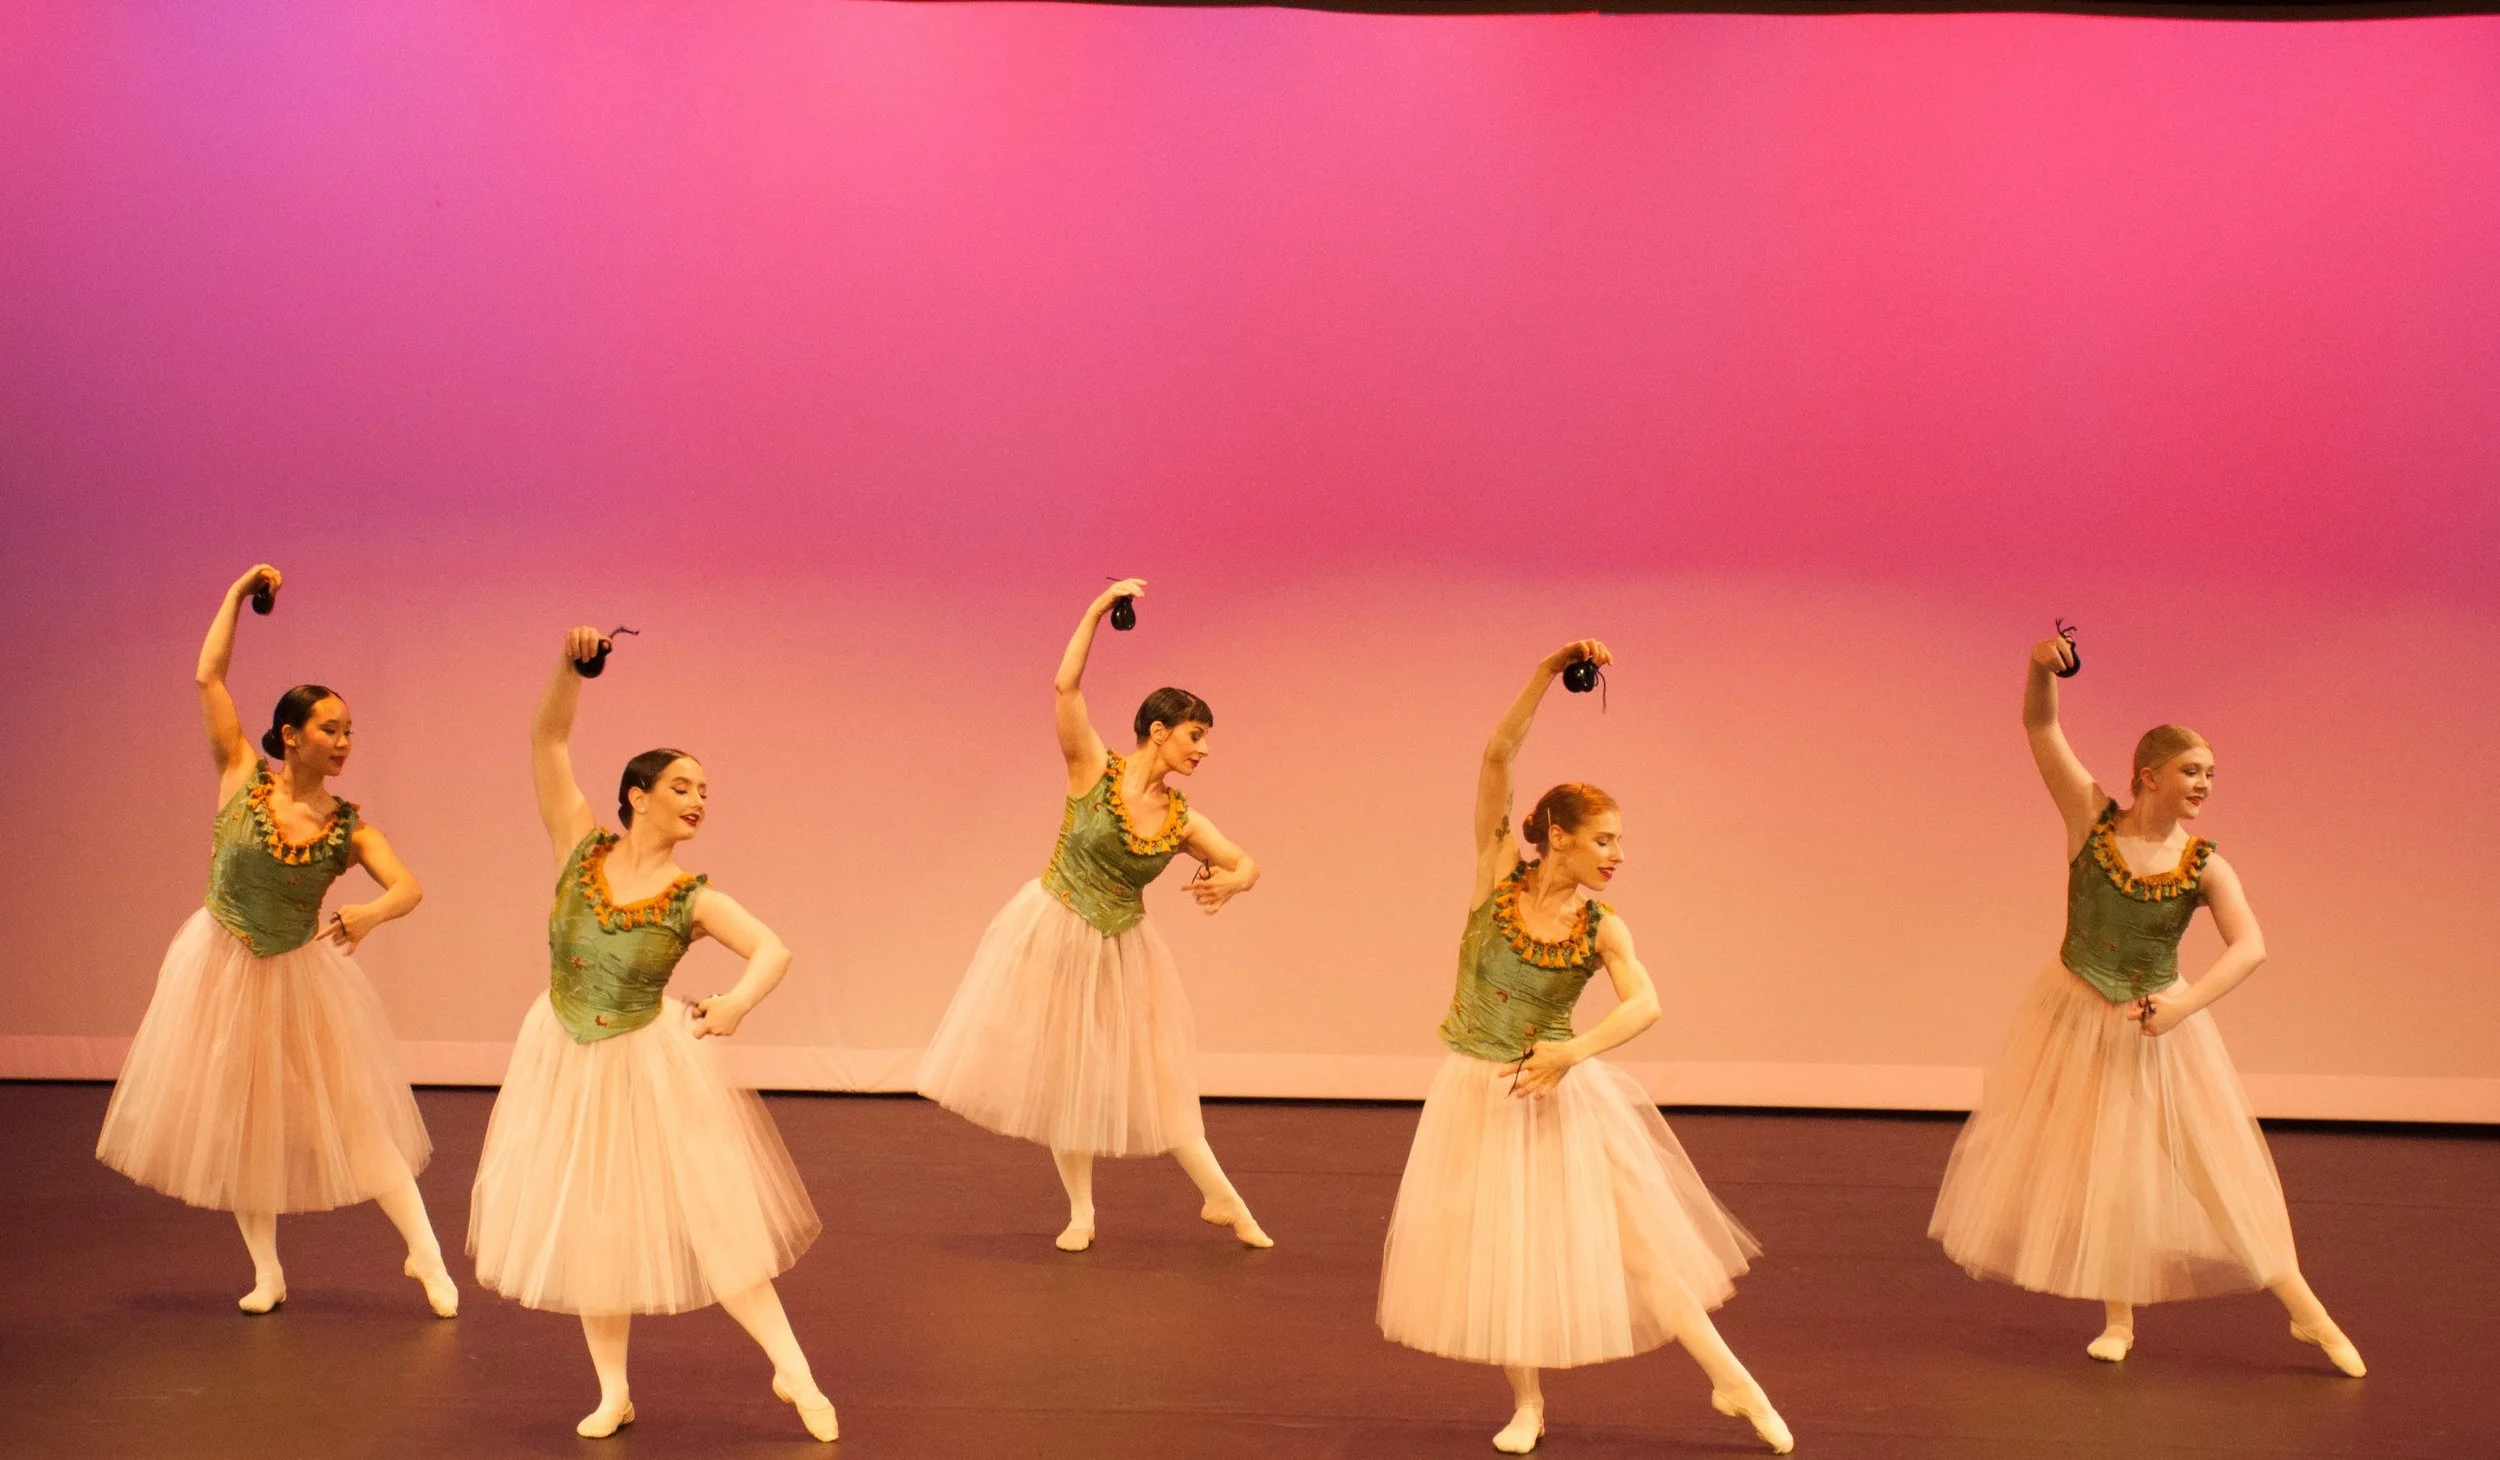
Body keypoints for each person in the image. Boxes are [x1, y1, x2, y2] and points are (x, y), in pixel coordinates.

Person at [1376, 641, 1791, 1455]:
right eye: (1604, 840)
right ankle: (1528, 1404)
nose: (1618, 855)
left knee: (1640, 1250)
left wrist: (1575, 1053)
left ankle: (1733, 1382)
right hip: (1476, 1090)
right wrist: (1544, 670)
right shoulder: (1496, 872)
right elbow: (1498, 754)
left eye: (1619, 841)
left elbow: (1647, 1004)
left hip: (1559, 1095)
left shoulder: (1604, 928)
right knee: (1507, 1251)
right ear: (1557, 836)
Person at [1928, 633, 2366, 1377]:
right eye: (2192, 771)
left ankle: (2307, 1313)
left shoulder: (2204, 865)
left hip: (2157, 1021)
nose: (2205, 784)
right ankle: (2120, 1320)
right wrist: (2040, 665)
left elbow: (2250, 946)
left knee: (2215, 1175)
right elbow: (2041, 728)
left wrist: (2182, 1007)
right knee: (2110, 1167)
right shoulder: (2090, 823)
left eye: (2212, 774)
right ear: (2148, 774)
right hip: (2074, 1013)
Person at [467, 626, 836, 1440]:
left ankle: (794, 1370)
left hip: (649, 1061)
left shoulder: (690, 897)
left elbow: (773, 947)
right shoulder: (578, 845)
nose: (698, 798)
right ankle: (612, 1391)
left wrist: (738, 1002)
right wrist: (570, 667)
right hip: (564, 1056)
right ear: (636, 795)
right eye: (681, 784)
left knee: (714, 1217)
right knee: (597, 1226)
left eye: (705, 788)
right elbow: (548, 737)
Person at [96, 564, 456, 1317]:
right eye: (331, 729)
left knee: (356, 1115)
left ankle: (424, 1251)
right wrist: (233, 596)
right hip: (220, 962)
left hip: (297, 972)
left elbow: (409, 888)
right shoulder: (238, 774)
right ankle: (267, 1272)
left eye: (350, 731)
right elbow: (208, 676)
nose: (344, 741)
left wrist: (369, 915)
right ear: (289, 736)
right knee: (239, 1122)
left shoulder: (348, 825)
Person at [919, 578, 1271, 1253]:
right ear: (1159, 731)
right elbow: (1065, 691)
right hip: (1053, 930)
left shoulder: (1183, 819)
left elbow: (1246, 862)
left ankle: (1222, 1198)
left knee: (1161, 1076)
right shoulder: (1091, 769)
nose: (1204, 750)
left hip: (1121, 946)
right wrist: (1093, 615)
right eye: (1195, 736)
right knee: (1065, 1075)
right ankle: (1081, 1212)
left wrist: (1232, 884)